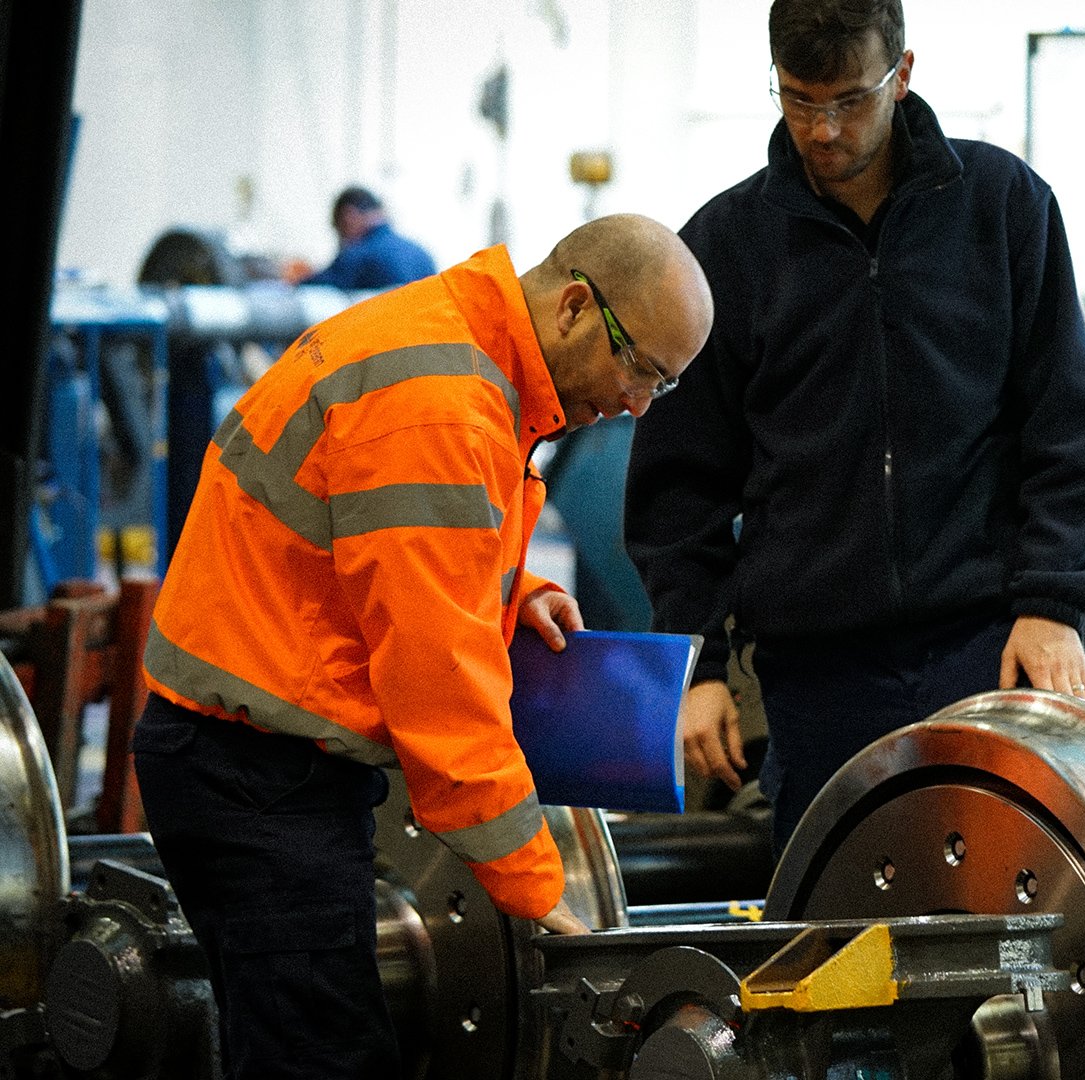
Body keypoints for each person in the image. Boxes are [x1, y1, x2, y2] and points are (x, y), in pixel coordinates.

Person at [134, 213, 712, 1077]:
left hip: (256, 758)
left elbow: (377, 545)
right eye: (642, 370)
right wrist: (539, 889)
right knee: (324, 1059)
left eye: (661, 390)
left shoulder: (460, 349)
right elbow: (439, 683)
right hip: (252, 776)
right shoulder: (442, 403)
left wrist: (513, 594)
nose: (636, 404)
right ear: (575, 309)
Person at [624, 0, 1085, 850]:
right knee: (837, 924)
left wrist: (1053, 604)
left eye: (850, 99)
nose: (822, 130)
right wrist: (696, 665)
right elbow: (679, 484)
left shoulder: (1004, 209)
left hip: (993, 642)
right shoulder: (728, 246)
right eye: (798, 98)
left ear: (904, 73)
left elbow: (1064, 427)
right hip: (820, 675)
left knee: (1022, 906)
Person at [298, 185, 438, 290]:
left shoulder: (360, 254)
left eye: (339, 229)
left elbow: (319, 284)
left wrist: (299, 278)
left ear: (349, 216)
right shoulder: (421, 252)